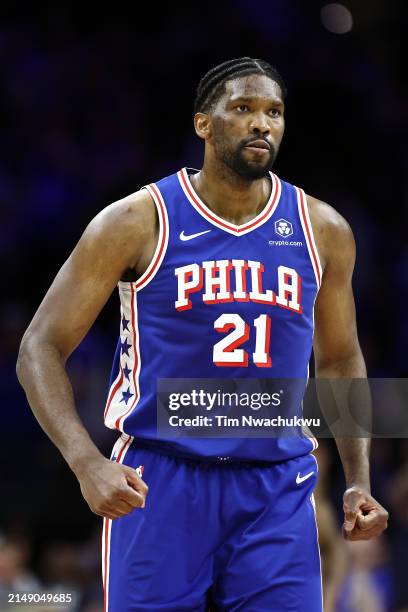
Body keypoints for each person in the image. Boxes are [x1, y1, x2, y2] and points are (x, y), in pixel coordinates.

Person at [17, 57, 388, 611]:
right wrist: (86, 462)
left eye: (274, 112)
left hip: (277, 486)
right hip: (162, 480)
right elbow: (38, 347)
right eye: (243, 109)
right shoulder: (137, 221)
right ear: (203, 125)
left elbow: (339, 359)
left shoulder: (323, 230)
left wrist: (357, 479)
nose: (262, 123)